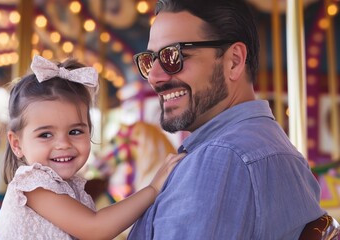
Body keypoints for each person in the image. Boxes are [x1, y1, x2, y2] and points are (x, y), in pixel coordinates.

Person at [129, 0, 326, 239]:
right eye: (150, 60)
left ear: (233, 61)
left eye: (173, 56)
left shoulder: (220, 158)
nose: (154, 77)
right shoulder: (278, 151)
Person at [0, 55, 184, 240]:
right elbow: (95, 228)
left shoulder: (70, 186)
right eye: (45, 135)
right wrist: (152, 188)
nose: (63, 144)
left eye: (75, 132)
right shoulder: (34, 186)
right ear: (16, 143)